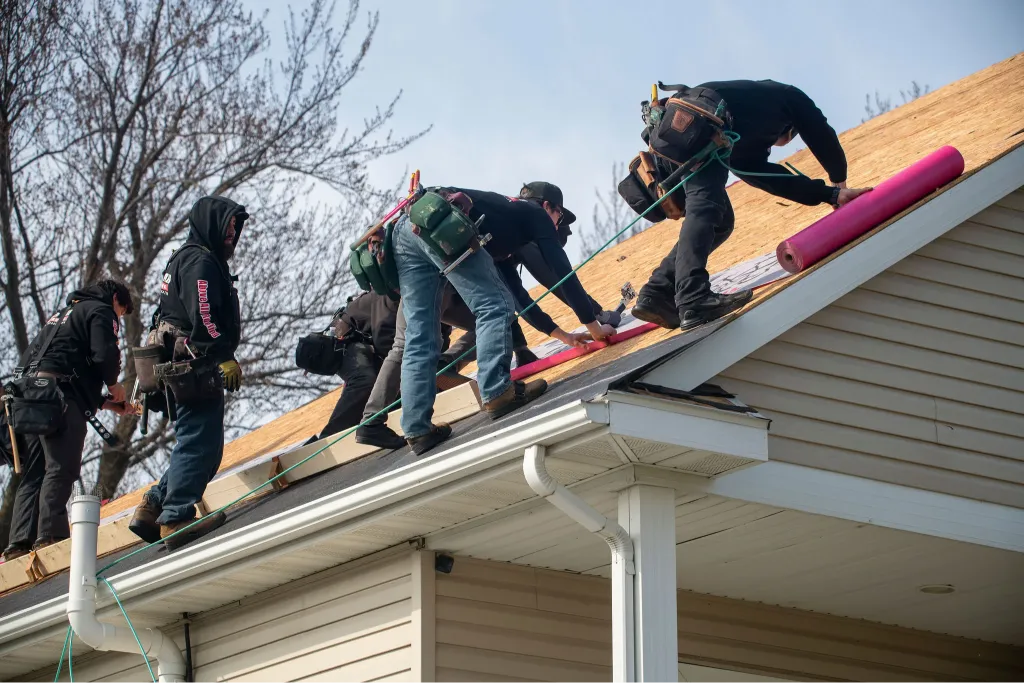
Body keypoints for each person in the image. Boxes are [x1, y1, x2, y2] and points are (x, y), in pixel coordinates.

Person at [633, 80, 872, 331]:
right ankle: (693, 298)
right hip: (697, 122)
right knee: (705, 208)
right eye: (786, 140)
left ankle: (658, 291)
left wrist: (830, 195)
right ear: (788, 131)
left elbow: (772, 179)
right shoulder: (785, 96)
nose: (780, 145)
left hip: (676, 133)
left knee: (720, 221)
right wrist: (840, 182)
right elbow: (818, 128)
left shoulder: (745, 143)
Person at [129, 196, 248, 550]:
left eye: (235, 227)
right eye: (228, 225)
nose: (232, 233)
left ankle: (152, 507)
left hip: (181, 363)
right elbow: (204, 314)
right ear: (210, 223)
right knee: (199, 441)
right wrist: (223, 354)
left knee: (204, 448)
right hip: (195, 365)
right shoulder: (200, 261)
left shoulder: (183, 257)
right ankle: (177, 517)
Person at [2, 279, 134, 561]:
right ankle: (51, 535)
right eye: (122, 312)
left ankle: (18, 543)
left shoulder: (60, 317)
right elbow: (105, 354)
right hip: (58, 401)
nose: (119, 319)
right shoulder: (101, 310)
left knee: (35, 471)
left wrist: (107, 404)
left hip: (28, 399)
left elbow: (58, 365)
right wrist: (114, 385)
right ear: (115, 299)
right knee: (61, 467)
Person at [313, 291, 399, 440]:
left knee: (390, 377)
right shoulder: (391, 296)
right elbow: (384, 340)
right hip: (344, 342)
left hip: (364, 342)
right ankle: (329, 440)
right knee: (365, 380)